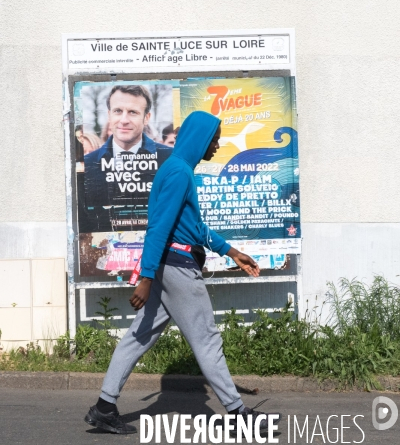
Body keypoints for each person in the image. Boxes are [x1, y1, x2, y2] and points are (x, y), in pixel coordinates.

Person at [84, 111, 281, 435]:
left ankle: (104, 407)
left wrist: (231, 251)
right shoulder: (178, 172)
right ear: (198, 138)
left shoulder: (178, 170)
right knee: (206, 339)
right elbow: (159, 228)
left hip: (168, 266)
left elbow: (193, 228)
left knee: (138, 337)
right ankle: (237, 414)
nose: (216, 146)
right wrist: (145, 278)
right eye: (213, 139)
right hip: (176, 268)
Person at [78, 85, 172, 232]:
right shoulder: (89, 164)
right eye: (118, 111)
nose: (124, 120)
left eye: (133, 112)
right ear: (109, 115)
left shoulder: (170, 159)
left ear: (146, 118)